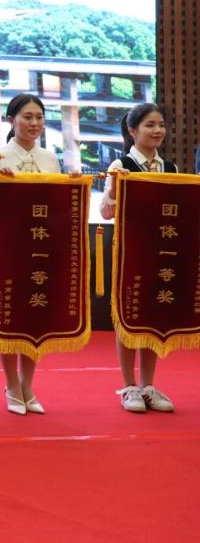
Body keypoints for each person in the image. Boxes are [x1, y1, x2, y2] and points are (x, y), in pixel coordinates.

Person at [0, 93, 81, 415]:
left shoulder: (50, 159)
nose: (34, 123)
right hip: (8, 249)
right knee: (9, 316)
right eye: (27, 117)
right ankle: (11, 384)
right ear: (11, 120)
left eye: (39, 117)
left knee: (35, 314)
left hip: (42, 250)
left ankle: (28, 384)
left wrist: (71, 186)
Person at [100, 102, 176, 414]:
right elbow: (106, 212)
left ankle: (148, 385)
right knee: (128, 315)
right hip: (129, 251)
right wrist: (116, 186)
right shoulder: (121, 164)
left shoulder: (170, 168)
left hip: (162, 251)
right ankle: (129, 385)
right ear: (133, 131)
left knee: (152, 316)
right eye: (150, 125)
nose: (158, 130)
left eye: (161, 125)